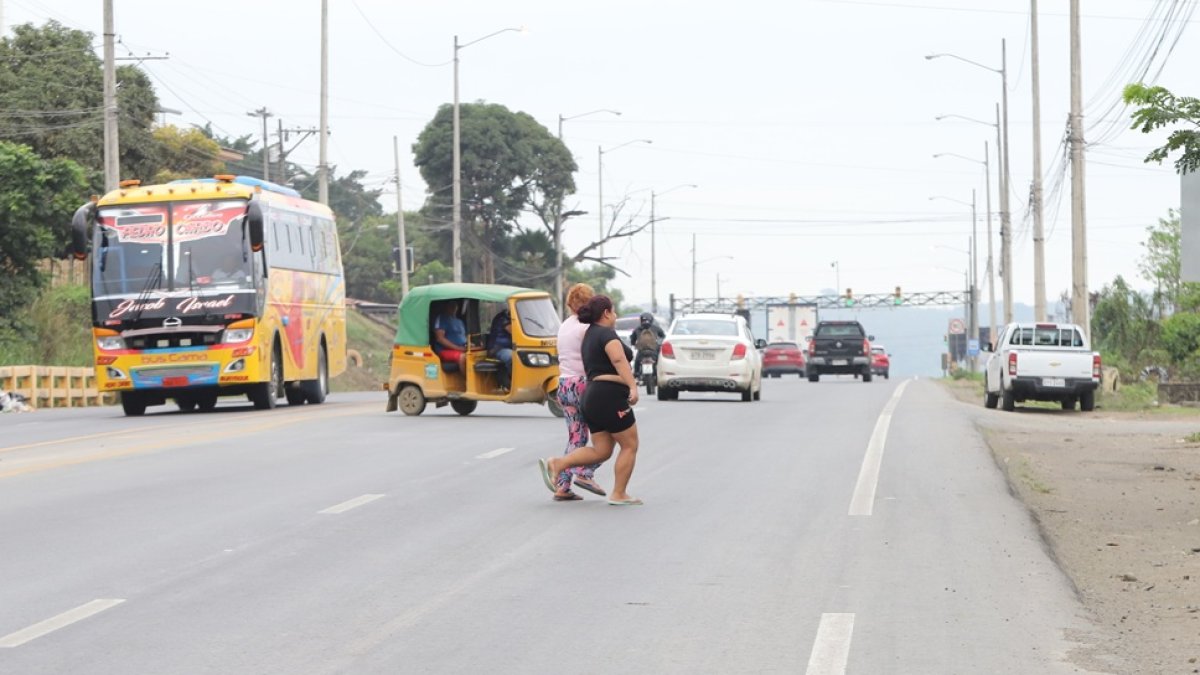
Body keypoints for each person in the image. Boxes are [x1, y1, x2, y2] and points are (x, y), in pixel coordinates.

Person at [539, 295, 642, 506]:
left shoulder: (589, 335)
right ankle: (619, 493)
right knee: (630, 445)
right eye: (613, 311)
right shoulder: (607, 334)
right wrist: (632, 386)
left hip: (591, 396)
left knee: (602, 450)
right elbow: (618, 359)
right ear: (606, 313)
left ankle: (559, 463)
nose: (615, 315)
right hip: (609, 397)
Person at [549, 283, 607, 502]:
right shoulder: (588, 329)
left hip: (564, 385)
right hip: (584, 385)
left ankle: (562, 486)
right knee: (611, 434)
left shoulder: (565, 325)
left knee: (576, 437)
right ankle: (585, 471)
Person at [432, 301, 467, 371]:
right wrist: (458, 348)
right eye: (451, 305)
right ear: (446, 307)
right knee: (464, 358)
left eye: (455, 305)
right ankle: (467, 381)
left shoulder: (459, 321)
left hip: (462, 348)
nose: (454, 307)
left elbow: (464, 336)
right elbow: (440, 338)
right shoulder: (442, 318)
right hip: (445, 350)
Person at [629, 312, 665, 378]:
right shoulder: (656, 328)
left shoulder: (637, 329)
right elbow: (663, 336)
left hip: (642, 352)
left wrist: (634, 344)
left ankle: (637, 375)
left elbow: (632, 339)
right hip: (654, 351)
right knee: (659, 362)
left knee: (637, 361)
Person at [487, 309, 514, 390]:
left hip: (509, 347)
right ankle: (513, 382)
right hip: (498, 349)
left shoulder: (513, 316)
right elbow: (514, 331)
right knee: (513, 357)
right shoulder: (503, 318)